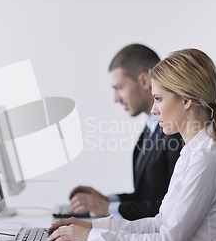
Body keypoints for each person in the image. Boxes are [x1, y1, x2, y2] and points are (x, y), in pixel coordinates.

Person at [48, 48, 216, 241]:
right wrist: (92, 226)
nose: (153, 110)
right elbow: (158, 223)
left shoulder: (207, 159)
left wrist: (93, 236)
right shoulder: (192, 153)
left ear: (186, 100)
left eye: (159, 99)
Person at [68, 44, 183, 220]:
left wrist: (108, 208)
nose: (115, 98)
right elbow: (144, 197)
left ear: (144, 81)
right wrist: (105, 200)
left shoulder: (175, 132)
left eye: (119, 88)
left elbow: (172, 207)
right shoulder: (151, 129)